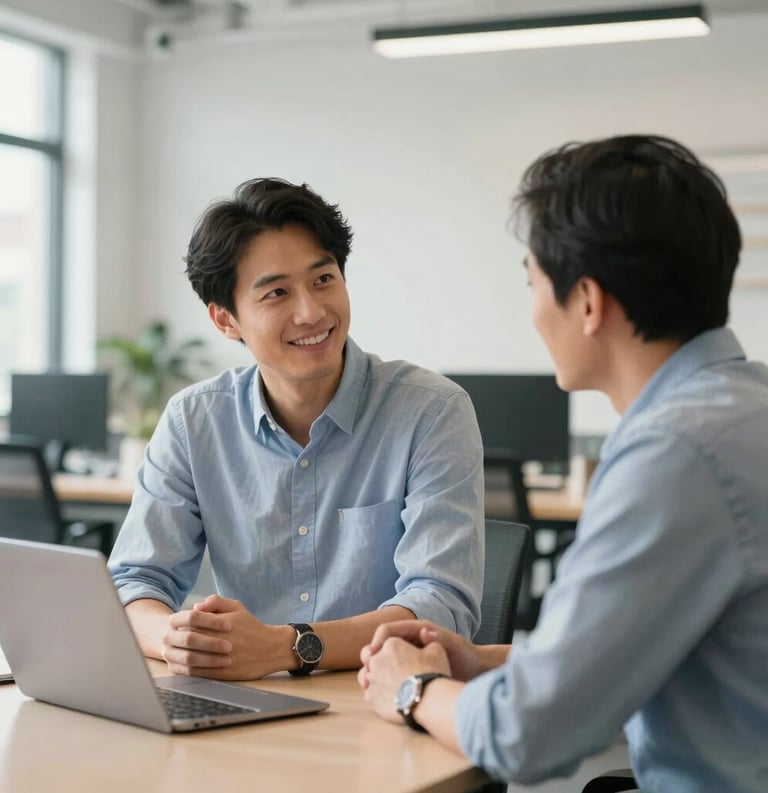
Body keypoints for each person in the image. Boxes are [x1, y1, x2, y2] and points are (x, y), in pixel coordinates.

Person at [359, 135, 768, 792]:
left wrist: (413, 687)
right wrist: (487, 661)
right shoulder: (744, 407)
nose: (531, 310)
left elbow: (529, 736)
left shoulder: (675, 455)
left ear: (586, 301)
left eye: (532, 282)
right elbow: (655, 652)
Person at [108, 177, 485, 680]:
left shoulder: (431, 411)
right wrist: (179, 640)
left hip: (388, 702)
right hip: (245, 697)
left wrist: (289, 647)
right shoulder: (193, 421)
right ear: (226, 320)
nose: (311, 312)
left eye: (323, 280)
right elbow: (134, 580)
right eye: (277, 293)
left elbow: (441, 603)